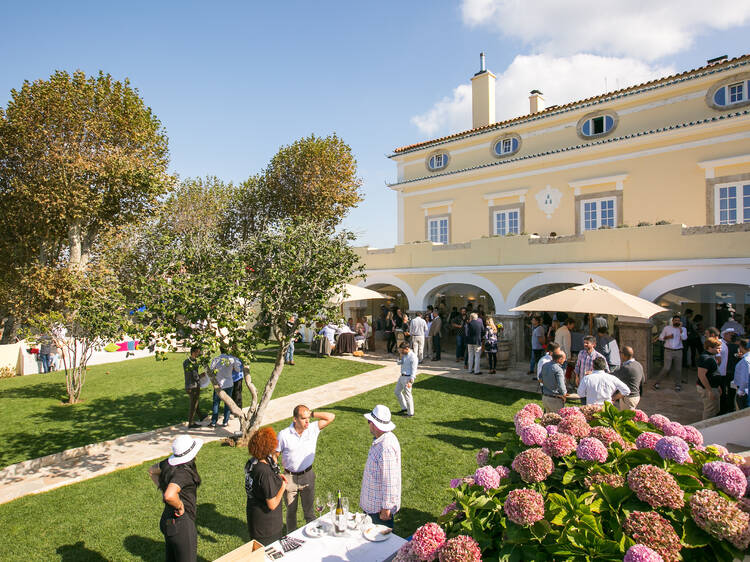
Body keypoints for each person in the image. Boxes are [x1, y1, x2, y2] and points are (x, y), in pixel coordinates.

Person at [276, 405, 335, 532]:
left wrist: (312, 414)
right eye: (303, 418)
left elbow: (331, 417)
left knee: (309, 511)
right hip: (289, 478)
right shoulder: (284, 435)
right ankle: (291, 537)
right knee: (291, 513)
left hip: (307, 475)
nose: (307, 421)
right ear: (295, 419)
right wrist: (278, 475)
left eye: (308, 418)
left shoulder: (312, 428)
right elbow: (274, 455)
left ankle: (313, 536)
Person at [148, 435, 203, 562]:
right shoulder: (183, 473)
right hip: (181, 523)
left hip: (167, 519)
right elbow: (170, 495)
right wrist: (179, 506)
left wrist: (163, 488)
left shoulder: (167, 464)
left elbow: (151, 471)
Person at [360, 405, 401, 529]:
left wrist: (386, 508)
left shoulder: (385, 447)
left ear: (375, 424)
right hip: (374, 508)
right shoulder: (381, 440)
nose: (368, 425)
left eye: (369, 422)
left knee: (380, 547)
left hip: (378, 512)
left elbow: (389, 481)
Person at [245, 427, 287, 546]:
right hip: (267, 527)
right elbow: (272, 504)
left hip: (256, 519)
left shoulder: (253, 463)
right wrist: (283, 486)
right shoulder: (265, 473)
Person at [651, 315, 687, 392]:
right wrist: (668, 337)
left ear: (680, 322)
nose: (677, 322)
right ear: (673, 321)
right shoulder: (667, 328)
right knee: (666, 368)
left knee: (678, 369)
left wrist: (680, 330)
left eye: (678, 320)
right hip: (668, 350)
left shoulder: (683, 329)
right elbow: (661, 338)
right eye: (675, 320)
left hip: (678, 351)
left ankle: (678, 385)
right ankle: (657, 383)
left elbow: (684, 338)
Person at [209, 348, 240, 428]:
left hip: (219, 384)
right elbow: (238, 370)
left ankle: (213, 422)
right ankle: (225, 422)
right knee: (227, 404)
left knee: (216, 403)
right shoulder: (232, 359)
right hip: (229, 383)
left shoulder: (216, 359)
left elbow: (211, 371)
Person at [696, 337, 722, 419]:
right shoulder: (705, 358)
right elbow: (701, 375)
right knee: (709, 412)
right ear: (710, 348)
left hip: (713, 387)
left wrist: (717, 386)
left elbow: (712, 373)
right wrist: (709, 390)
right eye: (718, 348)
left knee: (715, 410)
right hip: (707, 388)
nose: (720, 350)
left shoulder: (711, 356)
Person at [613, 346, 644, 410]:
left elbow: (612, 377)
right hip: (636, 396)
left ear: (624, 355)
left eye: (620, 352)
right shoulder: (638, 364)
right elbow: (643, 380)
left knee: (626, 418)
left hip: (628, 398)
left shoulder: (625, 368)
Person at [183, 346, 204, 429]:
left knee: (195, 401)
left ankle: (201, 415)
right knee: (193, 404)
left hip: (188, 385)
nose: (199, 353)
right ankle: (191, 423)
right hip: (194, 386)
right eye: (198, 352)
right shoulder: (193, 363)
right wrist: (201, 376)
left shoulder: (185, 362)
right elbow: (195, 376)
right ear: (194, 352)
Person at [395, 341, 417, 417]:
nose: (401, 351)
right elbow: (400, 363)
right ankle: (404, 408)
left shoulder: (413, 357)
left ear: (407, 348)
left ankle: (410, 413)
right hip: (402, 377)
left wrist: (411, 381)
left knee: (408, 395)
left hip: (408, 378)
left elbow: (414, 370)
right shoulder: (404, 355)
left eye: (402, 350)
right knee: (397, 392)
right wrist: (399, 357)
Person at [732, 338, 750, 410]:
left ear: (741, 347)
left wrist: (740, 392)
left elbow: (745, 379)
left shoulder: (745, 361)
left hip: (744, 393)